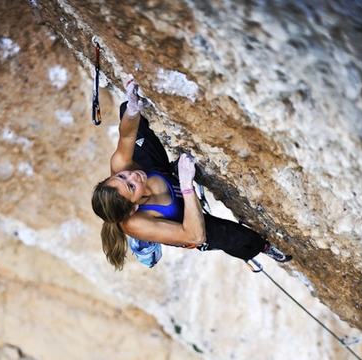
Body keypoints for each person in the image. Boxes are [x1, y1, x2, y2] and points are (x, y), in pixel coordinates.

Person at [92, 79, 292, 271]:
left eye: (121, 177)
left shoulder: (121, 167)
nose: (132, 176)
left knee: (126, 111)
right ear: (134, 207)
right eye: (131, 186)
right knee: (240, 239)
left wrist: (132, 112)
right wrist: (187, 185)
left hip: (159, 172)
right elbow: (195, 236)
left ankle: (158, 155)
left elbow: (127, 135)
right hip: (185, 220)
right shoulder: (137, 224)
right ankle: (264, 248)